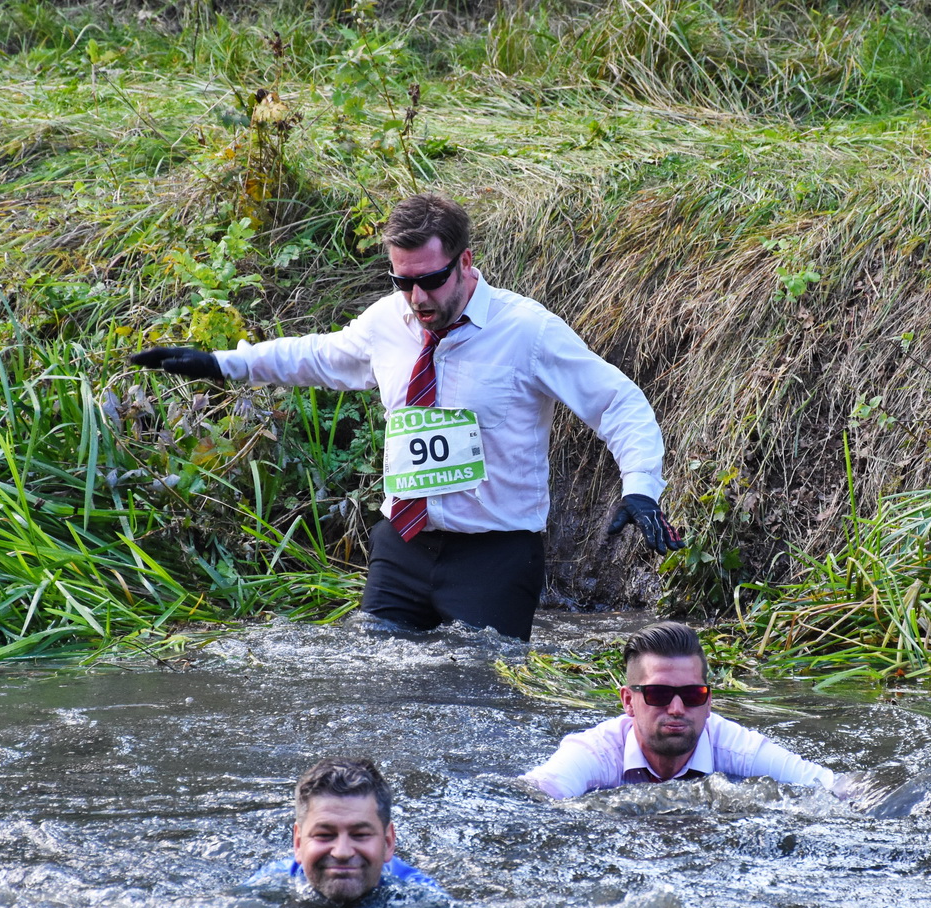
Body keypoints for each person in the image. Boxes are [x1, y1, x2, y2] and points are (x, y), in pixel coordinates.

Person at [131, 193, 682, 641]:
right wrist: (221, 364)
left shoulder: (528, 332)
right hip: (403, 544)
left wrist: (640, 487)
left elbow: (617, 402)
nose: (416, 297)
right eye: (401, 281)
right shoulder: (389, 320)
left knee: (476, 709)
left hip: (495, 554)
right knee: (381, 690)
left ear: (465, 262)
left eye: (430, 280)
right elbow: (321, 356)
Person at [521, 622, 836, 799]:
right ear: (628, 702)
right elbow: (536, 794)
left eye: (692, 694)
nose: (676, 708)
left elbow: (830, 787)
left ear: (709, 701)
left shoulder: (735, 746)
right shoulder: (596, 753)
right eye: (658, 694)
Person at [281, 756, 439, 907]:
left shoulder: (427, 899)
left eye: (360, 835)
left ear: (388, 842)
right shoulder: (267, 885)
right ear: (298, 843)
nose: (342, 852)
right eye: (324, 835)